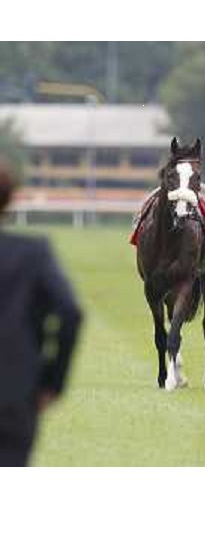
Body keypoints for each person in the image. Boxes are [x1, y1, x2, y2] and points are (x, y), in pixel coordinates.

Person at [0, 161, 83, 466]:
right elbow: (70, 312)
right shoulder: (34, 253)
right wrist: (52, 381)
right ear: (9, 200)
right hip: (15, 395)